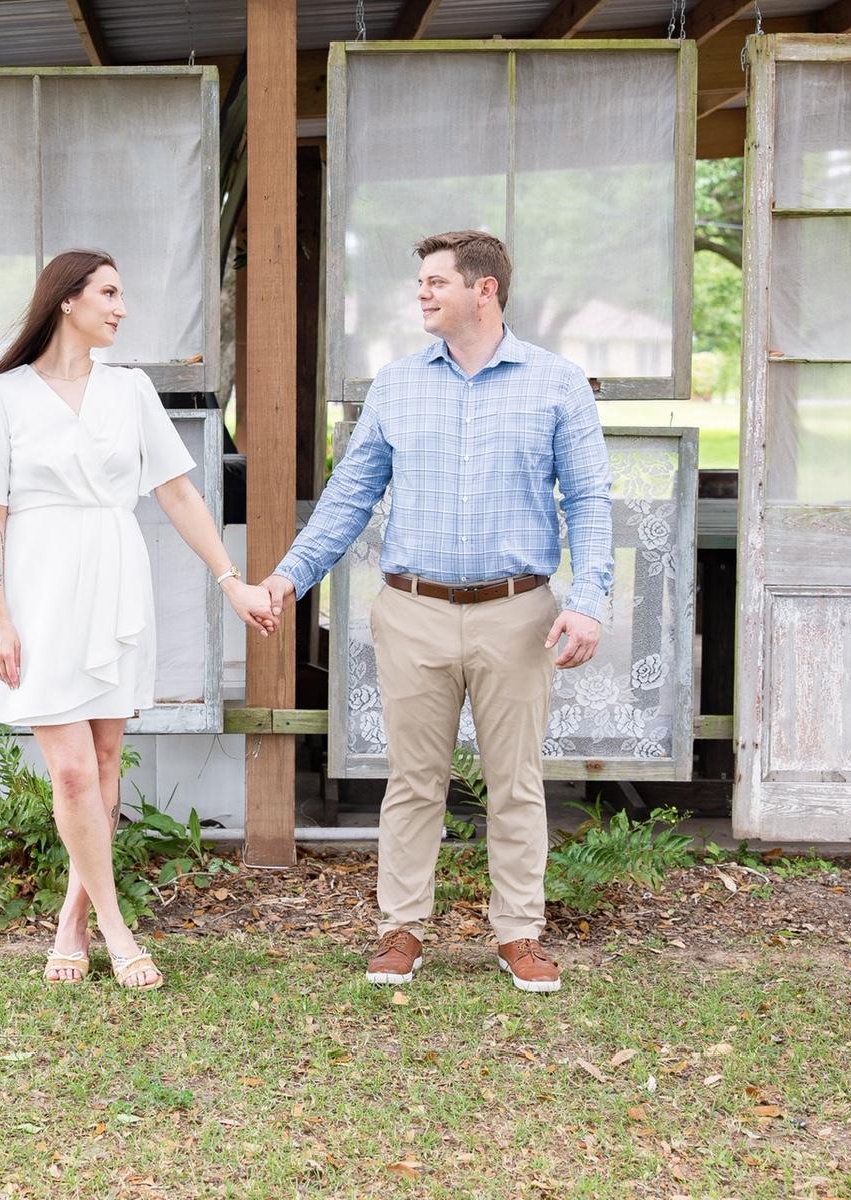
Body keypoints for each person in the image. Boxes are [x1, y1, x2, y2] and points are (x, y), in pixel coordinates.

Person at [261, 230, 612, 994]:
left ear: (485, 290)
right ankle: (401, 929)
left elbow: (589, 500)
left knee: (515, 782)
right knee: (413, 781)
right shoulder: (397, 385)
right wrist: (290, 577)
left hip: (517, 613)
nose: (422, 292)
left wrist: (588, 601)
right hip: (412, 610)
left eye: (436, 281)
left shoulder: (556, 384)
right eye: (420, 282)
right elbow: (350, 496)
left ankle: (519, 934)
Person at [0, 248, 276, 991]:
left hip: (116, 578)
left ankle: (73, 921)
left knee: (107, 762)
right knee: (71, 768)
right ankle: (118, 929)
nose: (122, 308)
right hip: (40, 588)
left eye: (123, 295)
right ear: (67, 299)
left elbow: (177, 493)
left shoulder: (130, 390)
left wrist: (231, 581)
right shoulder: (3, 398)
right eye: (109, 293)